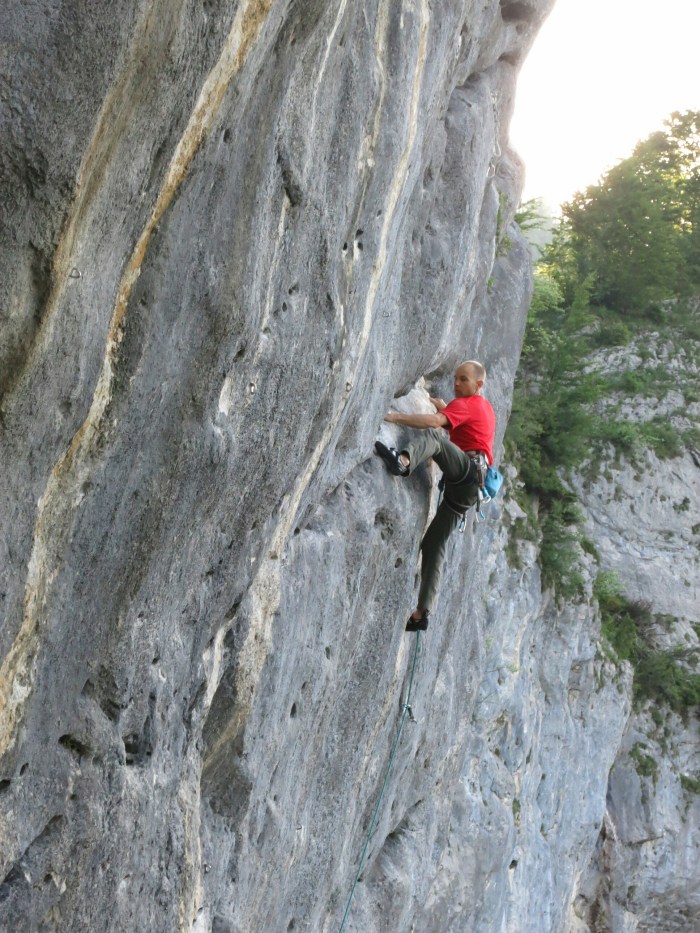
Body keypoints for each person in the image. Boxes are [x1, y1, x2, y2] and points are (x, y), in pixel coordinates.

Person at [375, 360, 496, 632]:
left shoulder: (468, 404)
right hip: (470, 488)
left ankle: (403, 461)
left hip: (465, 473)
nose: (456, 383)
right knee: (434, 542)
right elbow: (469, 431)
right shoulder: (484, 407)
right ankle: (422, 613)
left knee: (435, 439)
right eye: (455, 378)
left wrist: (394, 417)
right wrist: (447, 409)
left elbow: (433, 423)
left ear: (479, 384)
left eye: (463, 379)